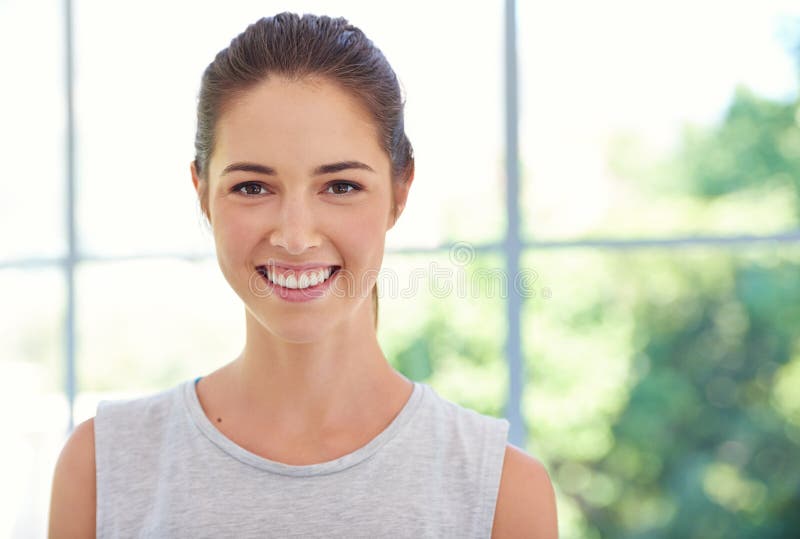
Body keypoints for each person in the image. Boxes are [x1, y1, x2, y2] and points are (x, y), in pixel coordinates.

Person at [48, 12, 558, 538]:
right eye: (252, 187)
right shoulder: (100, 468)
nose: (295, 237)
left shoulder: (501, 492)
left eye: (340, 186)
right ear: (202, 192)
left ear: (400, 190)